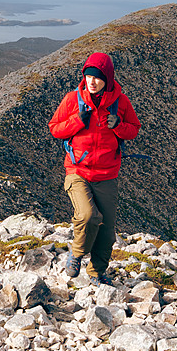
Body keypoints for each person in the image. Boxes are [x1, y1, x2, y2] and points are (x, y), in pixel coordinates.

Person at [48, 52, 141, 285]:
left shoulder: (121, 102)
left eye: (97, 77)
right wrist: (77, 120)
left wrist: (118, 125)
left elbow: (134, 128)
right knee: (88, 216)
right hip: (77, 170)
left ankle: (97, 273)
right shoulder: (73, 99)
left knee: (107, 233)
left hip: (107, 174)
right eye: (88, 76)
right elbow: (55, 128)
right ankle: (77, 253)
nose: (91, 81)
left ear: (107, 79)